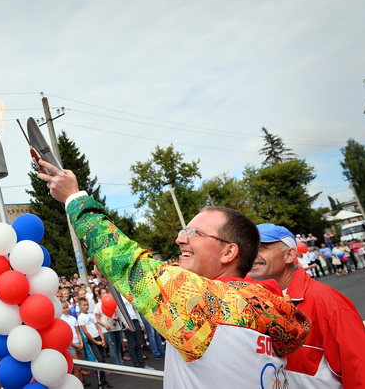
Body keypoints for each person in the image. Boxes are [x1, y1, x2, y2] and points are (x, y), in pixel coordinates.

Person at [37, 159, 310, 388]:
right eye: (184, 231)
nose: (181, 240)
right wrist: (120, 283)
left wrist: (74, 198)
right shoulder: (258, 299)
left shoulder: (209, 302)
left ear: (229, 253)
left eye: (195, 233)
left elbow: (124, 260)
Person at [250, 223, 365, 387]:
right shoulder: (252, 301)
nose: (251, 254)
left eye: (261, 247)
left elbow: (361, 370)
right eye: (249, 248)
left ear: (289, 255)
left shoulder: (329, 302)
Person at [77, 298, 111, 389]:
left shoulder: (92, 315)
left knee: (103, 360)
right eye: (84, 305)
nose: (86, 306)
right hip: (92, 341)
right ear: (80, 306)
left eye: (87, 304)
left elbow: (98, 328)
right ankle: (100, 383)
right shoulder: (80, 318)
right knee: (99, 361)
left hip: (99, 338)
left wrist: (102, 339)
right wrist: (96, 342)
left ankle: (104, 381)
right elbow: (86, 332)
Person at [60, 301, 85, 384]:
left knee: (80, 367)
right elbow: (64, 336)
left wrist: (81, 343)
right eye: (63, 308)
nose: (66, 309)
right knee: (76, 368)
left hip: (78, 343)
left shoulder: (73, 318)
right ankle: (76, 384)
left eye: (67, 307)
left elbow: (78, 332)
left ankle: (81, 383)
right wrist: (75, 345)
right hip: (70, 345)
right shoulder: (61, 320)